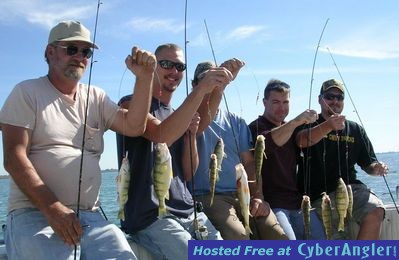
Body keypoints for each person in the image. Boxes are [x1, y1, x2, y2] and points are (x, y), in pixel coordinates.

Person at [0, 20, 156, 259]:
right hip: (34, 213)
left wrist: (145, 77)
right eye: (71, 49)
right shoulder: (26, 92)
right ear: (50, 52)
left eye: (86, 51)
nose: (80, 56)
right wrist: (53, 209)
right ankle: (229, 253)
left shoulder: (96, 96)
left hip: (91, 218)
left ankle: (232, 252)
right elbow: (13, 157)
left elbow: (134, 126)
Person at [116, 44, 238, 259]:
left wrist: (220, 86)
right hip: (151, 218)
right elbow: (162, 134)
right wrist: (201, 89)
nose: (174, 71)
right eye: (166, 64)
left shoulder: (176, 114)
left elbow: (189, 172)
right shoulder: (131, 103)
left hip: (189, 212)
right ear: (153, 67)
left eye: (180, 66)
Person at [191, 62, 288, 240]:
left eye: (218, 77)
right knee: (239, 237)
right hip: (208, 197)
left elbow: (249, 163)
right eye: (206, 79)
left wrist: (258, 196)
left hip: (242, 193)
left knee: (278, 236)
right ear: (194, 85)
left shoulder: (236, 122)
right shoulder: (186, 117)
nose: (212, 83)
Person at [296, 78, 388, 239]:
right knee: (336, 240)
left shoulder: (355, 129)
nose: (335, 101)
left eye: (339, 98)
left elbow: (368, 163)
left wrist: (376, 167)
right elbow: (301, 141)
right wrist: (329, 126)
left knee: (376, 209)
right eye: (330, 96)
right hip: (319, 195)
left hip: (351, 190)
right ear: (320, 99)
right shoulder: (307, 122)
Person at [248, 79, 326, 240]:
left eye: (286, 102)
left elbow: (307, 141)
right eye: (276, 102)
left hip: (298, 204)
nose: (282, 107)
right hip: (272, 205)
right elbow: (269, 141)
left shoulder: (293, 130)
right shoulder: (255, 127)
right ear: (264, 102)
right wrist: (297, 121)